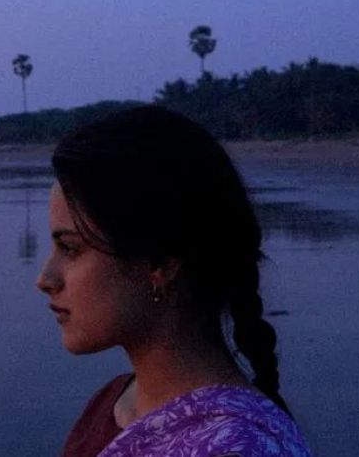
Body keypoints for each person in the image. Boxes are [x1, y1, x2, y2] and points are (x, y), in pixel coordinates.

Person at [36, 106, 311, 457]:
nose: (45, 279)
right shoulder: (116, 401)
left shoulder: (234, 447)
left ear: (161, 262)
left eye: (70, 248)